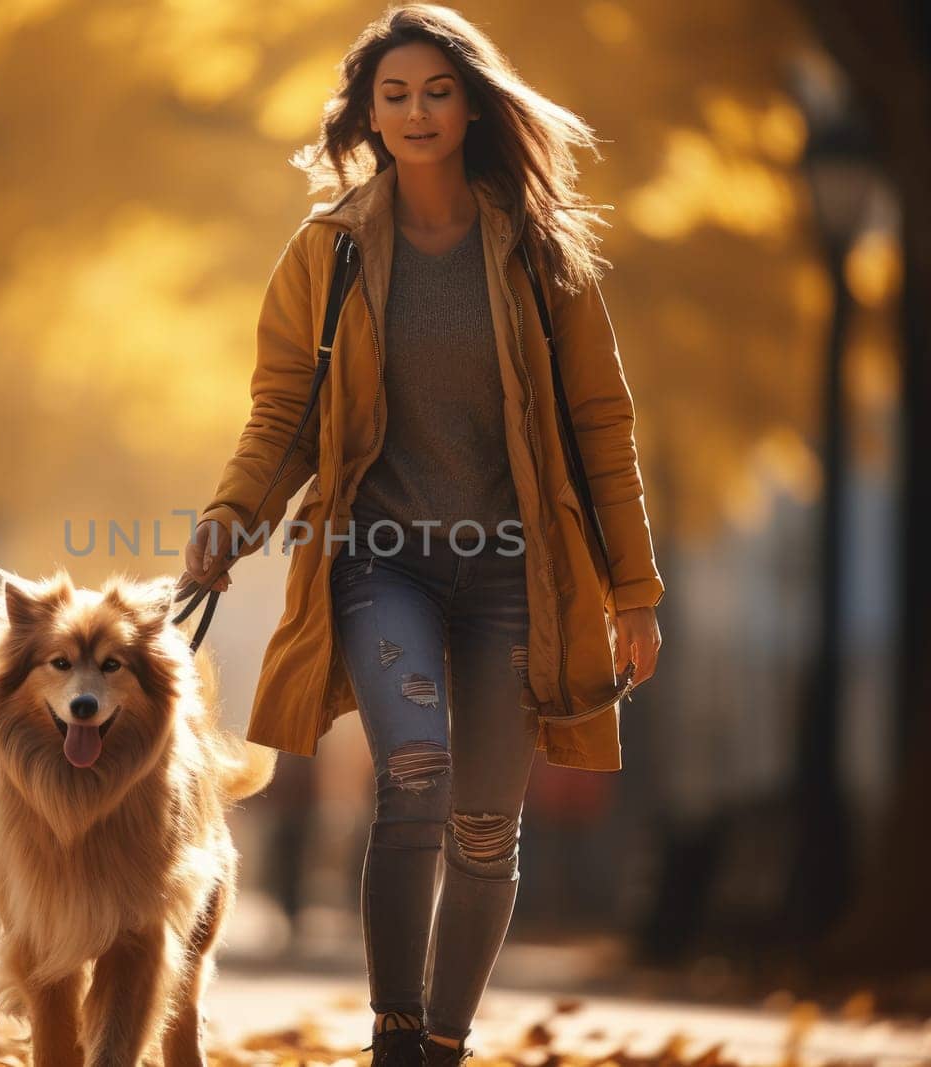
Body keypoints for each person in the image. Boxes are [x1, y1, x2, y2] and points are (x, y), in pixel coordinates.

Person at [182, 5, 665, 1064]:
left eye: (435, 91)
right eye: (392, 94)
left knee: (488, 824)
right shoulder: (330, 254)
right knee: (413, 772)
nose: (414, 111)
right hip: (380, 556)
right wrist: (231, 516)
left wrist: (633, 591)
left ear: (471, 105)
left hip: (512, 574)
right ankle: (395, 1035)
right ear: (365, 112)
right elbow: (281, 414)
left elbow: (599, 425)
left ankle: (443, 1042)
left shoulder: (540, 252)